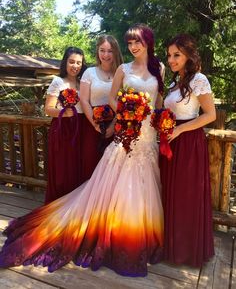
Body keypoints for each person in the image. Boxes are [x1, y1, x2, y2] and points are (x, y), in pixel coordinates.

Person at [0, 24, 164, 277]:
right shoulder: (124, 69)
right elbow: (112, 98)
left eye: (137, 42)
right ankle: (117, 234)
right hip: (125, 128)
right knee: (114, 182)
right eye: (130, 43)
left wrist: (154, 116)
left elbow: (159, 100)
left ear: (148, 42)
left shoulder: (159, 68)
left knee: (142, 184)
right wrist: (126, 113)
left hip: (148, 135)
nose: (133, 47)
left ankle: (141, 233)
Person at [160, 33, 216, 267]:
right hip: (171, 140)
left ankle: (185, 251)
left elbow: (210, 115)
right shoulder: (175, 81)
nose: (172, 59)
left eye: (177, 55)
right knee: (170, 192)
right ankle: (170, 246)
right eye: (169, 55)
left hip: (188, 143)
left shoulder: (198, 79)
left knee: (185, 195)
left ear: (188, 56)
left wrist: (180, 131)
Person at [44, 47, 87, 203]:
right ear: (65, 62)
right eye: (71, 62)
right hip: (63, 129)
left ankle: (74, 206)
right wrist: (64, 113)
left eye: (78, 62)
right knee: (63, 169)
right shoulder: (58, 81)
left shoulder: (83, 82)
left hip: (81, 128)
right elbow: (48, 109)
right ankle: (58, 205)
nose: (75, 66)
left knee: (78, 167)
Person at [80, 35, 123, 183]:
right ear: (97, 52)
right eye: (102, 50)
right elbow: (84, 100)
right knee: (91, 163)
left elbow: (123, 102)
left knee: (113, 168)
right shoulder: (89, 73)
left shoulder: (122, 73)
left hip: (117, 126)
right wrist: (95, 124)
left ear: (116, 52)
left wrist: (113, 126)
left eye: (110, 51)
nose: (106, 55)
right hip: (93, 125)